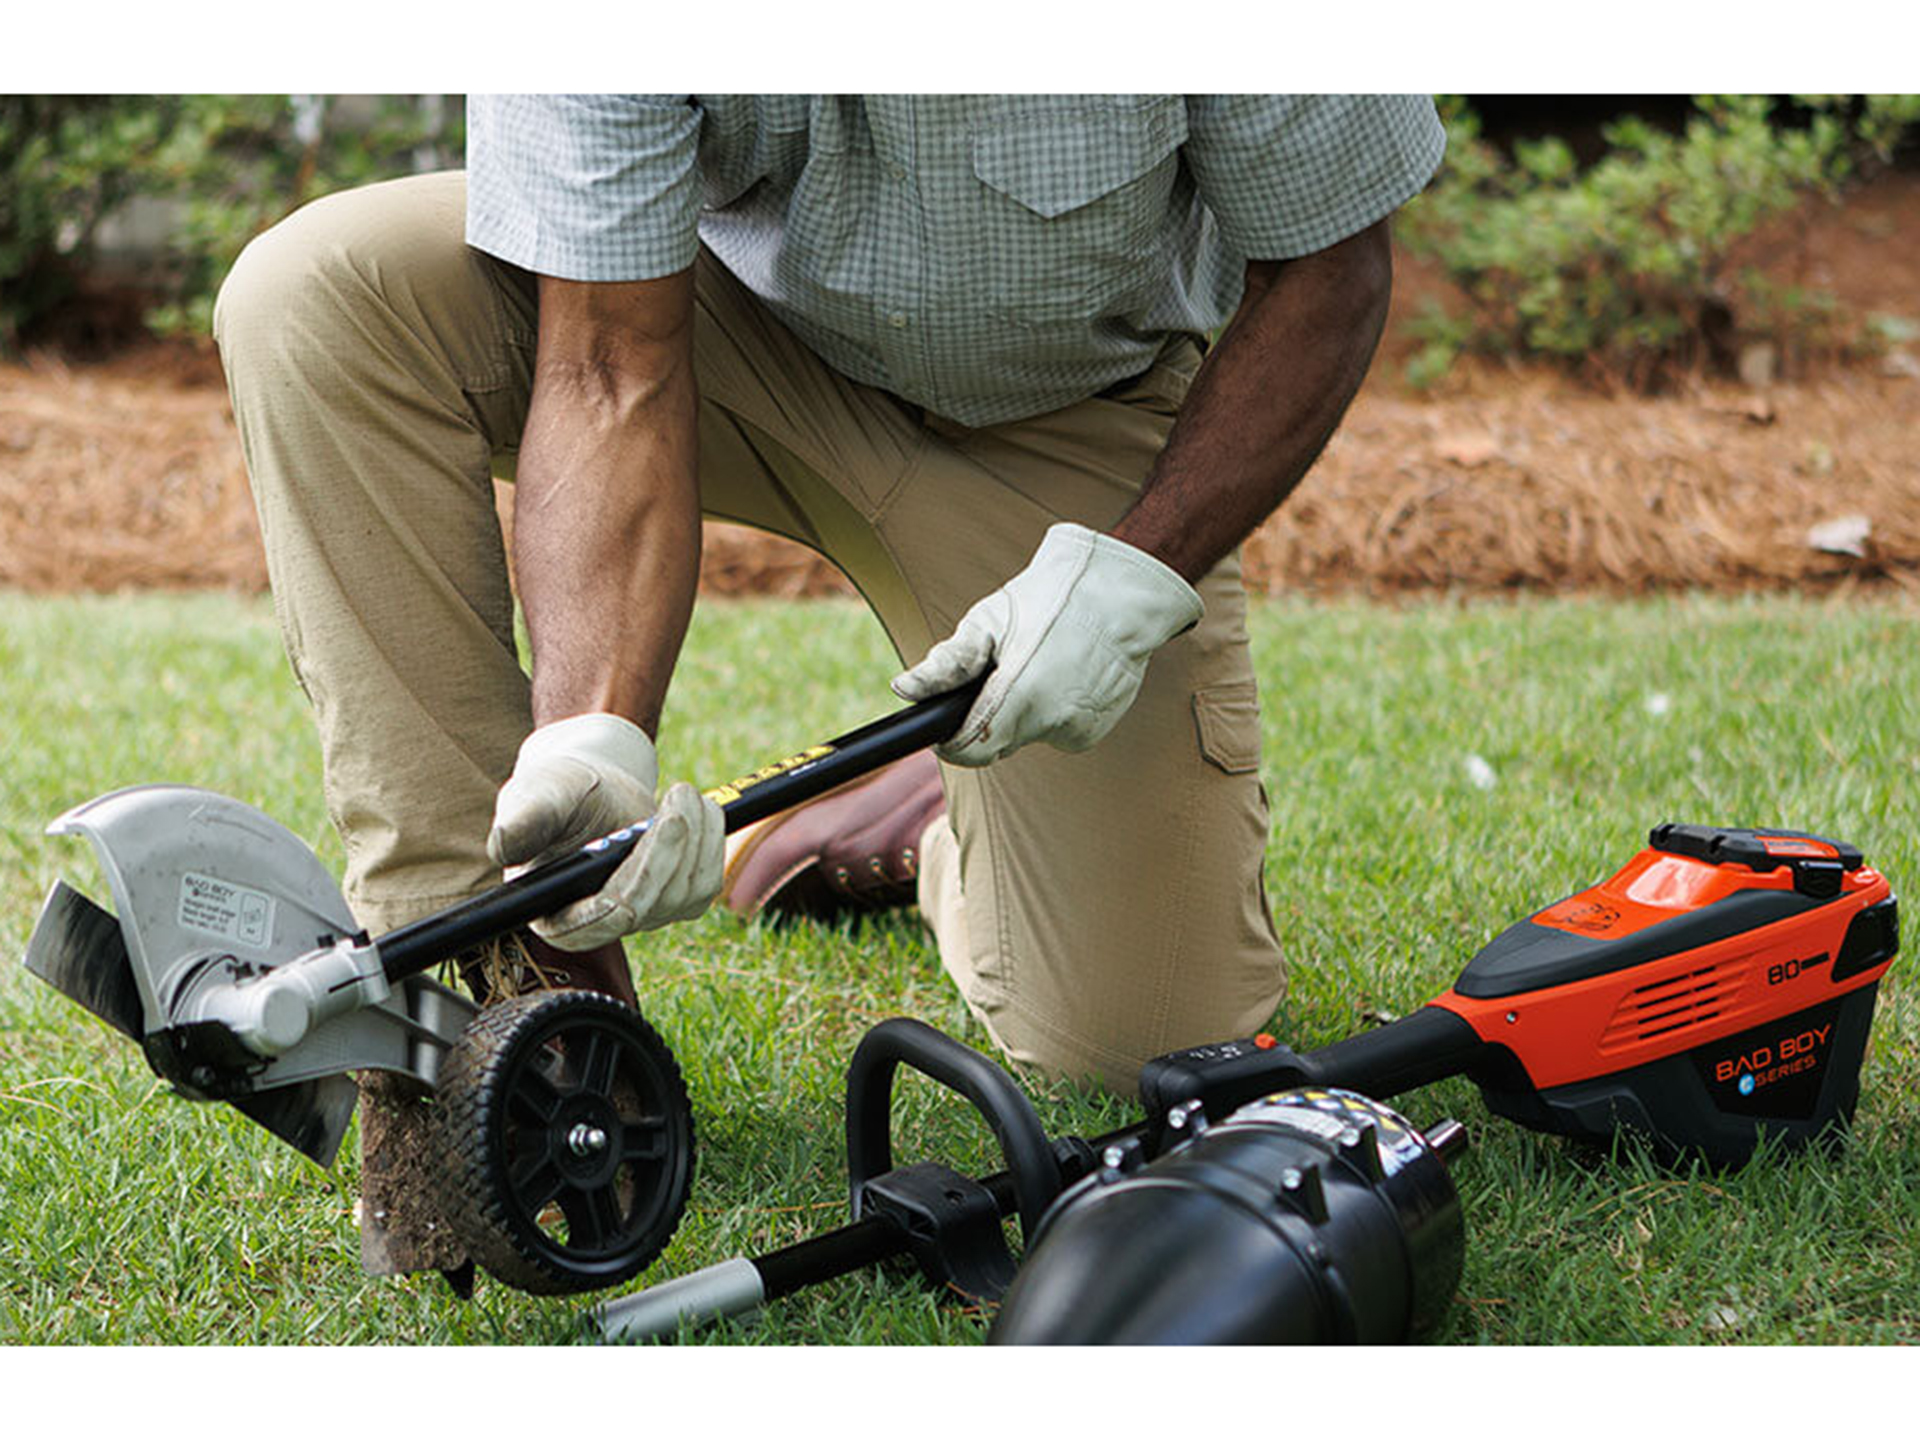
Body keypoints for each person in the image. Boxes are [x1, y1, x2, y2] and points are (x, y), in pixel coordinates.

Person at [213, 94, 1445, 1275]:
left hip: (1070, 415)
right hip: (715, 338)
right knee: (318, 297)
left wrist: (1140, 571)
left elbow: (1331, 267)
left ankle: (950, 834)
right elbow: (605, 364)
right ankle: (507, 992)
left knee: (1147, 1044)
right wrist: (591, 739)